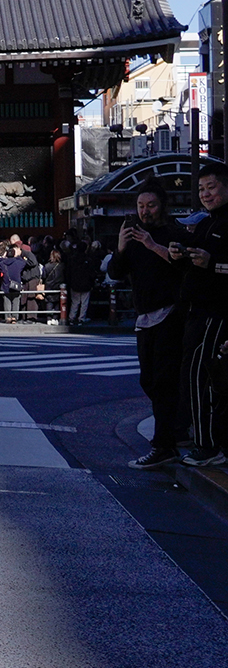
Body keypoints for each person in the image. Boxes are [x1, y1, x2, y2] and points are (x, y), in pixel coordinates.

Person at [109, 182, 189, 469]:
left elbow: (183, 266)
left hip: (171, 313)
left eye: (151, 205)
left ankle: (164, 444)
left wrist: (152, 244)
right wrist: (121, 246)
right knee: (149, 380)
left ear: (162, 206)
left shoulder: (173, 233)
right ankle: (176, 430)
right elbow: (115, 273)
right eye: (141, 206)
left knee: (164, 381)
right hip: (144, 316)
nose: (145, 211)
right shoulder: (132, 239)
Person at [170, 162, 228, 467]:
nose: (205, 194)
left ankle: (207, 446)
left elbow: (214, 264)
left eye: (211, 187)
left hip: (216, 312)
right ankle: (207, 442)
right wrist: (178, 254)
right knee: (197, 377)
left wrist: (213, 263)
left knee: (198, 375)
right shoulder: (207, 223)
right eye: (201, 188)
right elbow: (195, 262)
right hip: (197, 310)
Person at [0, 245, 28, 324]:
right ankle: (14, 317)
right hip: (16, 285)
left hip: (6, 285)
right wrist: (17, 256)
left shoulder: (3, 263)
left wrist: (4, 257)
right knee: (16, 301)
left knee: (6, 302)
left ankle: (8, 317)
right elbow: (24, 262)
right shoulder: (19, 263)